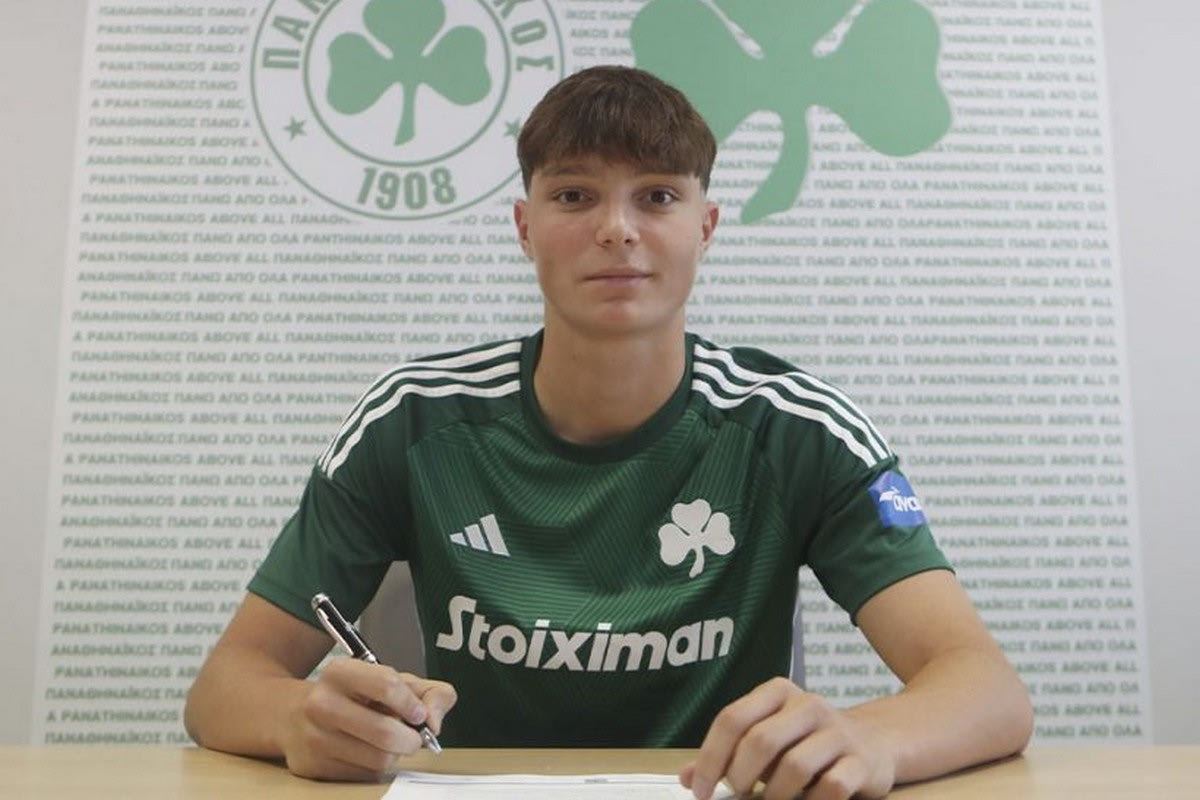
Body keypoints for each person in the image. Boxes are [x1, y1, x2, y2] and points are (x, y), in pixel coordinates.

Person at [185, 65, 1032, 798]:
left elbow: (986, 687)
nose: (617, 228)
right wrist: (300, 716)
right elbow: (225, 685)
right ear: (525, 228)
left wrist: (871, 737)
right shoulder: (412, 419)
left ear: (705, 228)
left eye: (657, 196)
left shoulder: (796, 430)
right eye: (574, 195)